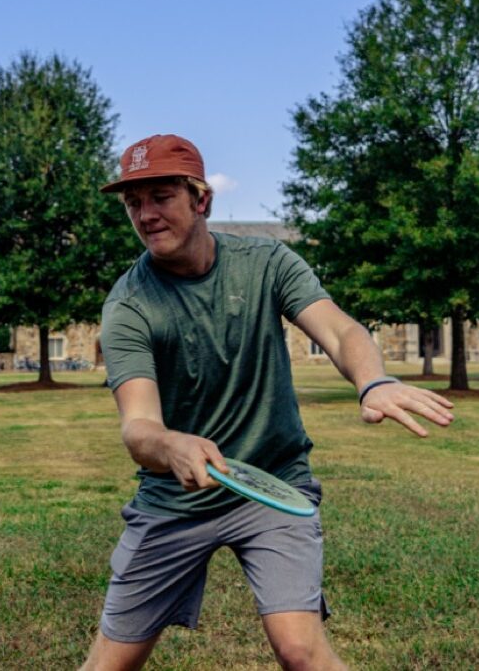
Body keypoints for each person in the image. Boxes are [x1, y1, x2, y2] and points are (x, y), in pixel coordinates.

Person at [80, 135, 454, 670]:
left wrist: (373, 382)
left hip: (272, 486)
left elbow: (340, 328)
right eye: (133, 203)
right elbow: (138, 426)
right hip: (174, 503)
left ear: (200, 199)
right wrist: (171, 445)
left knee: (300, 650)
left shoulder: (266, 262)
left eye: (160, 197)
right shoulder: (129, 305)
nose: (145, 215)